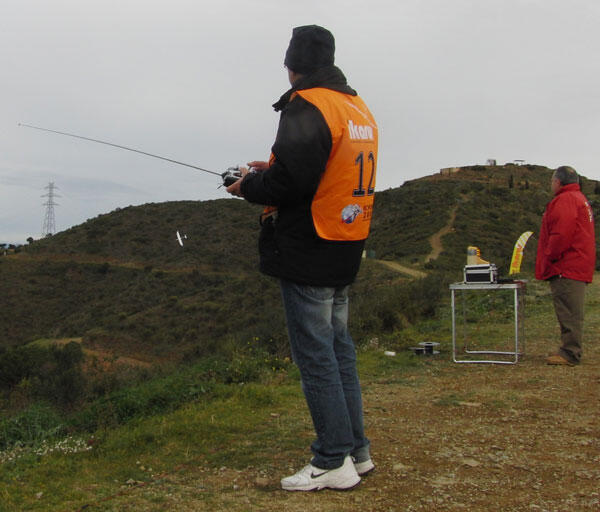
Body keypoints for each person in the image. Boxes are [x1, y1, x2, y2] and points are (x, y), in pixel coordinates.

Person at [226, 25, 378, 491]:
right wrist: (271, 167)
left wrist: (247, 185)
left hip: (311, 247)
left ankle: (332, 459)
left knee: (316, 357)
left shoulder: (307, 105)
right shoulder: (356, 107)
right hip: (346, 243)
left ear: (293, 65)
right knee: (339, 350)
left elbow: (291, 184)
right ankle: (357, 452)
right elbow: (321, 168)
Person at [535, 166, 596, 366]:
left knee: (569, 310)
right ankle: (570, 349)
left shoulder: (565, 200)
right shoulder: (579, 198)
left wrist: (549, 256)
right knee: (572, 309)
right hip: (576, 263)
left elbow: (561, 233)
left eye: (552, 181)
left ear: (558, 182)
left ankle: (570, 352)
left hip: (566, 266)